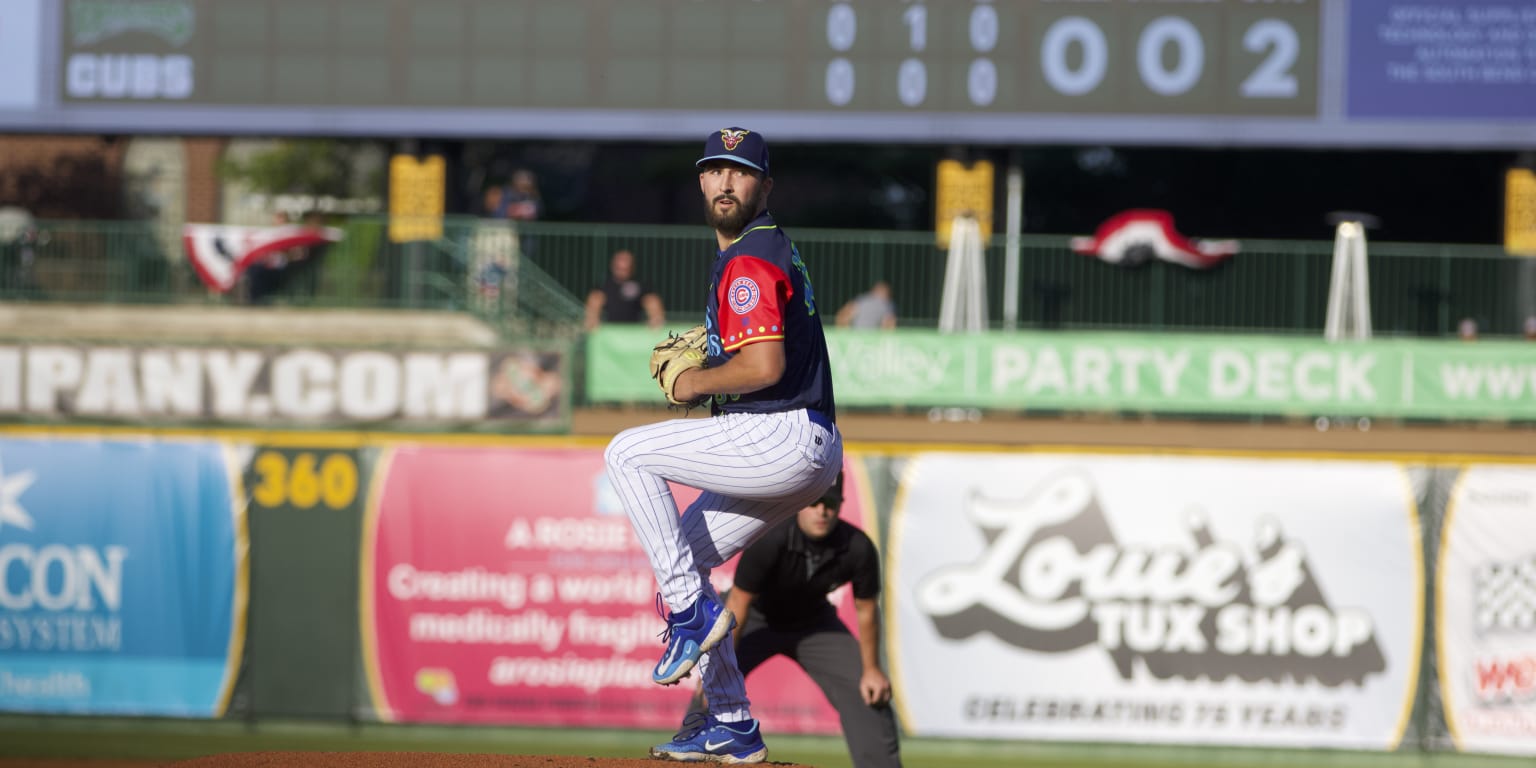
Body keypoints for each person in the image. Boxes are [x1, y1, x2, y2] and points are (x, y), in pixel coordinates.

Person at [604, 126, 842, 764]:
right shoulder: (757, 250)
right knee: (687, 551)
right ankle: (733, 723)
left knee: (625, 453)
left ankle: (687, 616)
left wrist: (690, 383)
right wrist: (710, 362)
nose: (726, 182)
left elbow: (763, 367)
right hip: (806, 442)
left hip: (781, 428)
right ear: (702, 181)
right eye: (714, 170)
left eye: (741, 172)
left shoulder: (750, 255)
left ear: (766, 185)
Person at [668, 471, 902, 768]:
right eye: (815, 502)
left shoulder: (857, 547)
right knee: (712, 687)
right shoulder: (771, 537)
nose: (822, 510)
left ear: (840, 504)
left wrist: (872, 670)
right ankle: (688, 759)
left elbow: (867, 609)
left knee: (868, 689)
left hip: (814, 622)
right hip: (753, 617)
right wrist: (718, 668)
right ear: (800, 502)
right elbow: (739, 602)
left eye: (831, 502)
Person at [585, 248, 665, 330]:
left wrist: (655, 319)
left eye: (625, 269)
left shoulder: (640, 285)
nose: (622, 271)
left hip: (633, 330)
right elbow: (594, 304)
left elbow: (652, 302)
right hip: (610, 329)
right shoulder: (604, 286)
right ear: (613, 266)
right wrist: (592, 319)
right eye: (619, 268)